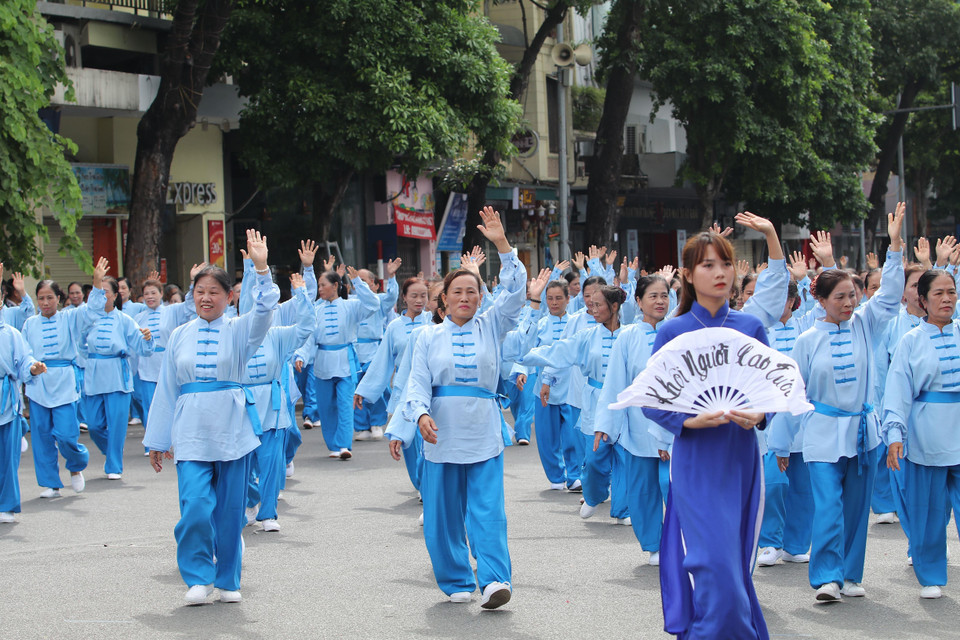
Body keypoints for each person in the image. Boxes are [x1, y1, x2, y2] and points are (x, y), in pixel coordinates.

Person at [768, 203, 905, 603]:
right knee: (827, 505)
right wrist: (780, 441)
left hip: (863, 433)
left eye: (854, 295)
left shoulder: (866, 323)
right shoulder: (807, 340)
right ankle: (826, 577)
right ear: (822, 300)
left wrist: (895, 247)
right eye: (841, 297)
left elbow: (892, 294)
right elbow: (793, 394)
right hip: (822, 435)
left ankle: (849, 573)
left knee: (856, 509)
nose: (850, 302)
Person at [642, 224, 771, 639]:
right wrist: (686, 421)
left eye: (727, 263)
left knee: (734, 567)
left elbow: (770, 392)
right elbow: (650, 399)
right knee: (712, 566)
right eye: (708, 265)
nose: (721, 273)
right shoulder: (671, 331)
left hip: (740, 459)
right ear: (687, 274)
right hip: (696, 461)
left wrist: (760, 414)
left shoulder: (750, 327)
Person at [144, 229, 279, 605]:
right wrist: (157, 439)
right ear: (192, 295)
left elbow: (266, 310)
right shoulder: (180, 335)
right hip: (189, 432)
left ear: (229, 297)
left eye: (214, 291)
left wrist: (261, 267)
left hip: (232, 430)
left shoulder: (240, 330)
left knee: (230, 510)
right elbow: (167, 388)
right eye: (199, 291)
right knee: (196, 507)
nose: (206, 297)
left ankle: (226, 580)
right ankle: (197, 577)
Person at [403, 206, 527, 609]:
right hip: (440, 433)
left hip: (484, 432)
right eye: (457, 291)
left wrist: (503, 246)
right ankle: (456, 577)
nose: (465, 297)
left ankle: (494, 579)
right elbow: (417, 383)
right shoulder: (427, 337)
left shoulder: (493, 323)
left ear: (479, 297)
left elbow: (517, 292)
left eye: (472, 291)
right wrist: (420, 415)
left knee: (488, 509)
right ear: (444, 300)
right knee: (441, 515)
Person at [517, 286, 630, 523]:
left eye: (598, 305)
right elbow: (558, 352)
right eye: (591, 303)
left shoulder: (630, 335)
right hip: (596, 402)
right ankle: (593, 495)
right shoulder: (587, 336)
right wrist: (519, 356)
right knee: (595, 458)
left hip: (625, 404)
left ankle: (623, 509)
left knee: (625, 459)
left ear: (615, 307)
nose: (592, 308)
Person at [883, 269, 960, 599]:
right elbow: (898, 389)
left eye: (952, 292)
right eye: (938, 293)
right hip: (927, 431)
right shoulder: (911, 341)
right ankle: (930, 575)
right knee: (927, 508)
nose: (946, 299)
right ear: (923, 300)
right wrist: (895, 433)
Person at [594, 273, 673, 565]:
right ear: (638, 301)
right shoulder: (628, 337)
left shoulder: (678, 332)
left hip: (675, 425)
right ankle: (654, 544)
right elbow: (615, 382)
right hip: (639, 426)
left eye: (664, 295)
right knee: (643, 489)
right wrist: (605, 424)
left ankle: (680, 540)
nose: (660, 301)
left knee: (674, 485)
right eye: (652, 296)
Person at [21, 258, 109, 498]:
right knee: (41, 438)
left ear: (59, 299)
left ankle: (76, 465)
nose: (45, 302)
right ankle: (50, 483)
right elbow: (24, 353)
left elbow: (93, 311)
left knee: (67, 435)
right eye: (41, 298)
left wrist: (97, 282)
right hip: (39, 384)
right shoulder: (29, 324)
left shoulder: (70, 317)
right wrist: (32, 367)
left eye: (50, 297)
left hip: (65, 383)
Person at [243, 272, 314, 532]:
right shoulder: (236, 331)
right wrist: (252, 265)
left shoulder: (278, 334)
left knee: (271, 461)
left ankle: (268, 513)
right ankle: (251, 501)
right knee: (243, 463)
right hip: (243, 406)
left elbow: (306, 327)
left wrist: (301, 294)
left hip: (273, 405)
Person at [294, 266, 379, 459]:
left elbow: (373, 304)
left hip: (345, 363)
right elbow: (308, 337)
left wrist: (358, 283)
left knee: (344, 404)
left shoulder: (351, 306)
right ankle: (333, 445)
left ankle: (344, 445)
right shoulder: (315, 309)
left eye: (323, 285)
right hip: (322, 363)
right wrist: (300, 355)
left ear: (335, 286)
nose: (320, 289)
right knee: (326, 407)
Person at [82, 275, 155, 479]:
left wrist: (148, 339)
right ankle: (112, 450)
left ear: (115, 295)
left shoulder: (124, 320)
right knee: (94, 425)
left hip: (117, 372)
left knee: (117, 423)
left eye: (106, 291)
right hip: (94, 373)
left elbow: (142, 347)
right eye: (98, 291)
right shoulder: (88, 319)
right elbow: (79, 343)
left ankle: (114, 466)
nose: (101, 295)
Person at [0, 263, 48, 523]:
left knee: (7, 457)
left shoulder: (11, 334)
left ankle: (6, 505)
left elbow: (23, 361)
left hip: (5, 401)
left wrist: (33, 368)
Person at [353, 259, 401, 441]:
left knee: (377, 387)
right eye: (357, 281)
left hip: (374, 349)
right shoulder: (351, 302)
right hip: (355, 351)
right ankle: (362, 426)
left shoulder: (379, 300)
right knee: (357, 390)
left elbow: (392, 296)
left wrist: (392, 276)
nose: (361, 285)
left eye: (365, 281)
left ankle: (376, 422)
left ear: (373, 284)